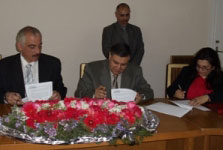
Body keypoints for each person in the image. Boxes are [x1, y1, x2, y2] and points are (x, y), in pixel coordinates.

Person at [0, 26, 67, 105]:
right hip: (14, 113)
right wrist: (5, 97)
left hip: (44, 112)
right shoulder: (4, 66)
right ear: (19, 46)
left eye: (40, 45)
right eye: (32, 47)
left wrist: (58, 95)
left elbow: (61, 89)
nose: (38, 51)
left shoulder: (52, 63)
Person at [75, 43, 153, 104]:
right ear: (109, 56)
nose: (118, 67)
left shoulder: (135, 70)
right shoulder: (92, 68)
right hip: (100, 113)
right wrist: (94, 95)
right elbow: (79, 93)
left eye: (123, 64)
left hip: (125, 114)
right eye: (115, 62)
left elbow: (149, 92)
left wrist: (141, 97)